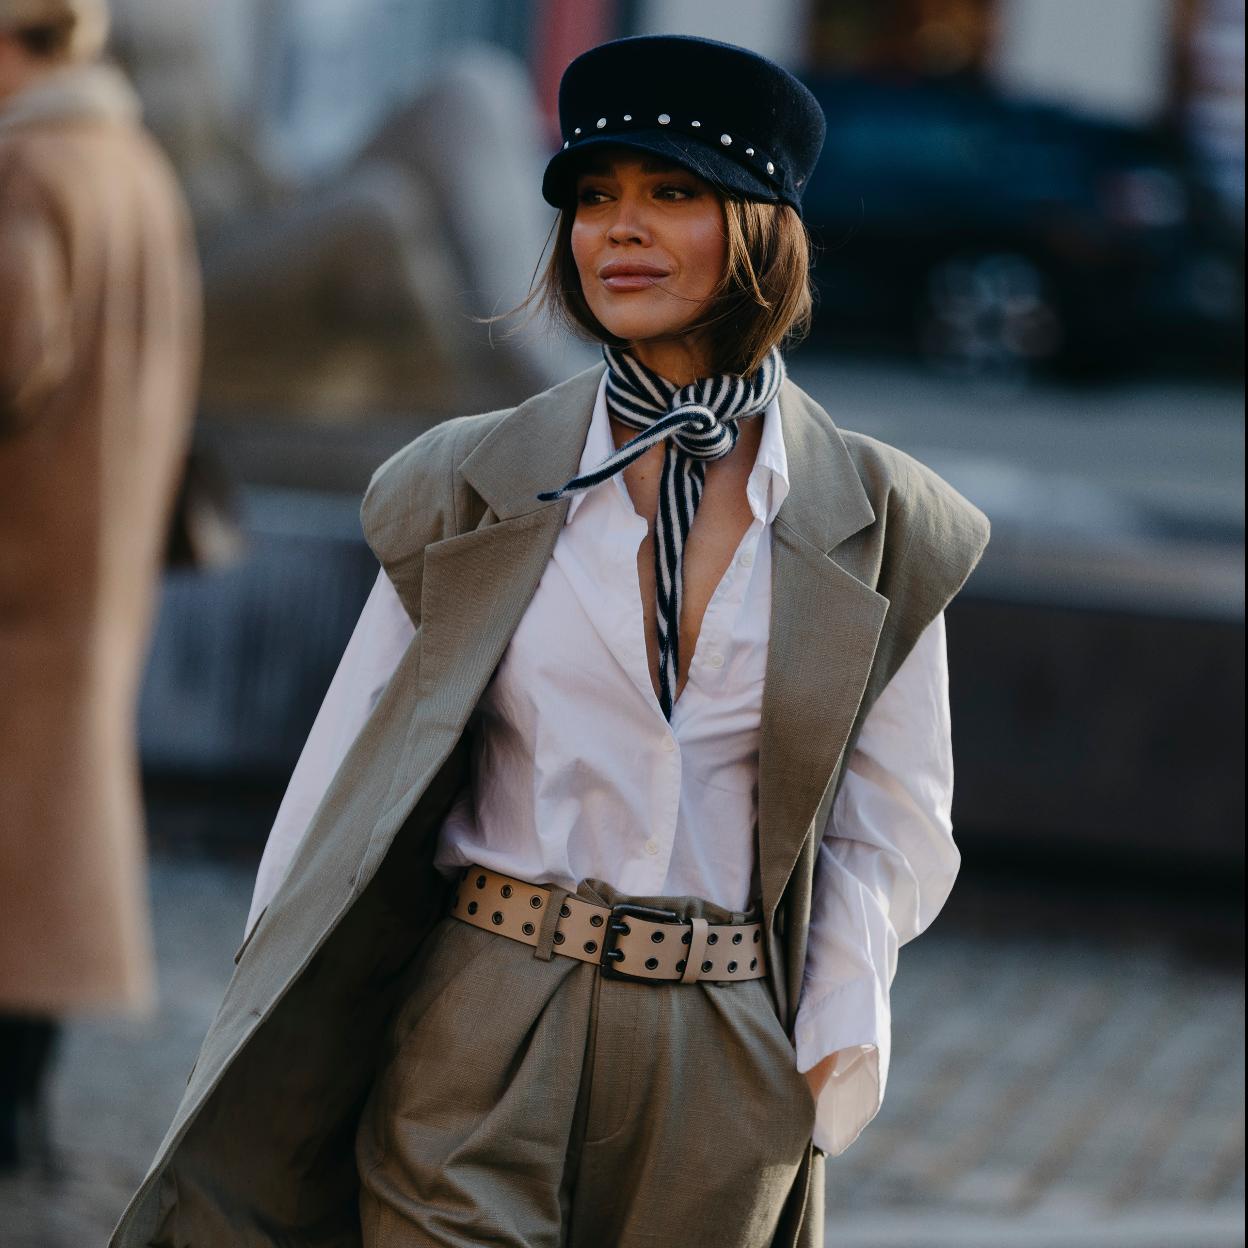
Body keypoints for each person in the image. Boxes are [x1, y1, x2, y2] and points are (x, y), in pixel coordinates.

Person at [113, 34, 989, 1248]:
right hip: (485, 1005)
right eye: (594, 198)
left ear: (762, 229)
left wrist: (833, 1028)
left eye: (670, 194)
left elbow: (893, 819)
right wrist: (275, 1008)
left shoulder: (883, 520)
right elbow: (342, 790)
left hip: (723, 1041)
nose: (618, 229)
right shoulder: (474, 478)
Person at [0, 0, 201, 1172]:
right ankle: (25, 1114)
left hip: (21, 561)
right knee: (47, 851)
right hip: (93, 555)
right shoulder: (130, 159)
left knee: (26, 850)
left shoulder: (28, 168)